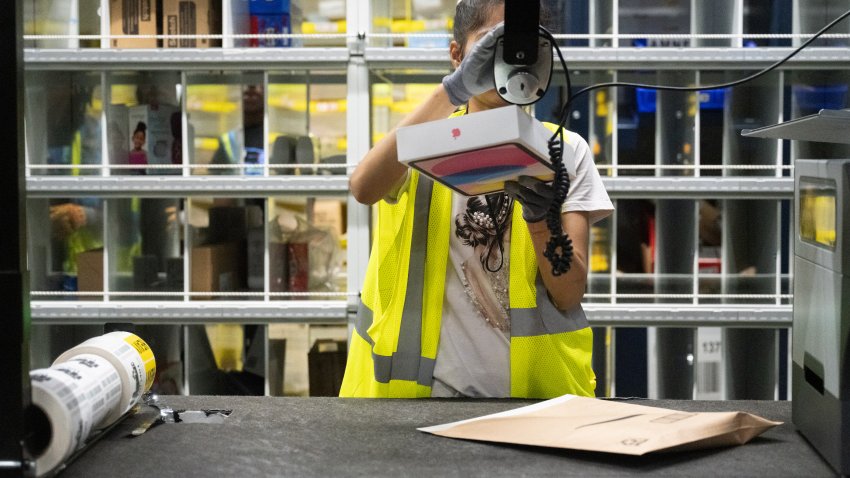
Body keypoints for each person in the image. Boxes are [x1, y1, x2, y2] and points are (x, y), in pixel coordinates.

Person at [341, 0, 613, 399]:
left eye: (522, 46)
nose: (507, 59)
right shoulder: (424, 141)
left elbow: (569, 292)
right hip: (421, 401)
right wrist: (455, 90)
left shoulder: (565, 151)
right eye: (492, 43)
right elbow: (364, 186)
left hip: (535, 402)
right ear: (457, 55)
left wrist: (542, 220)